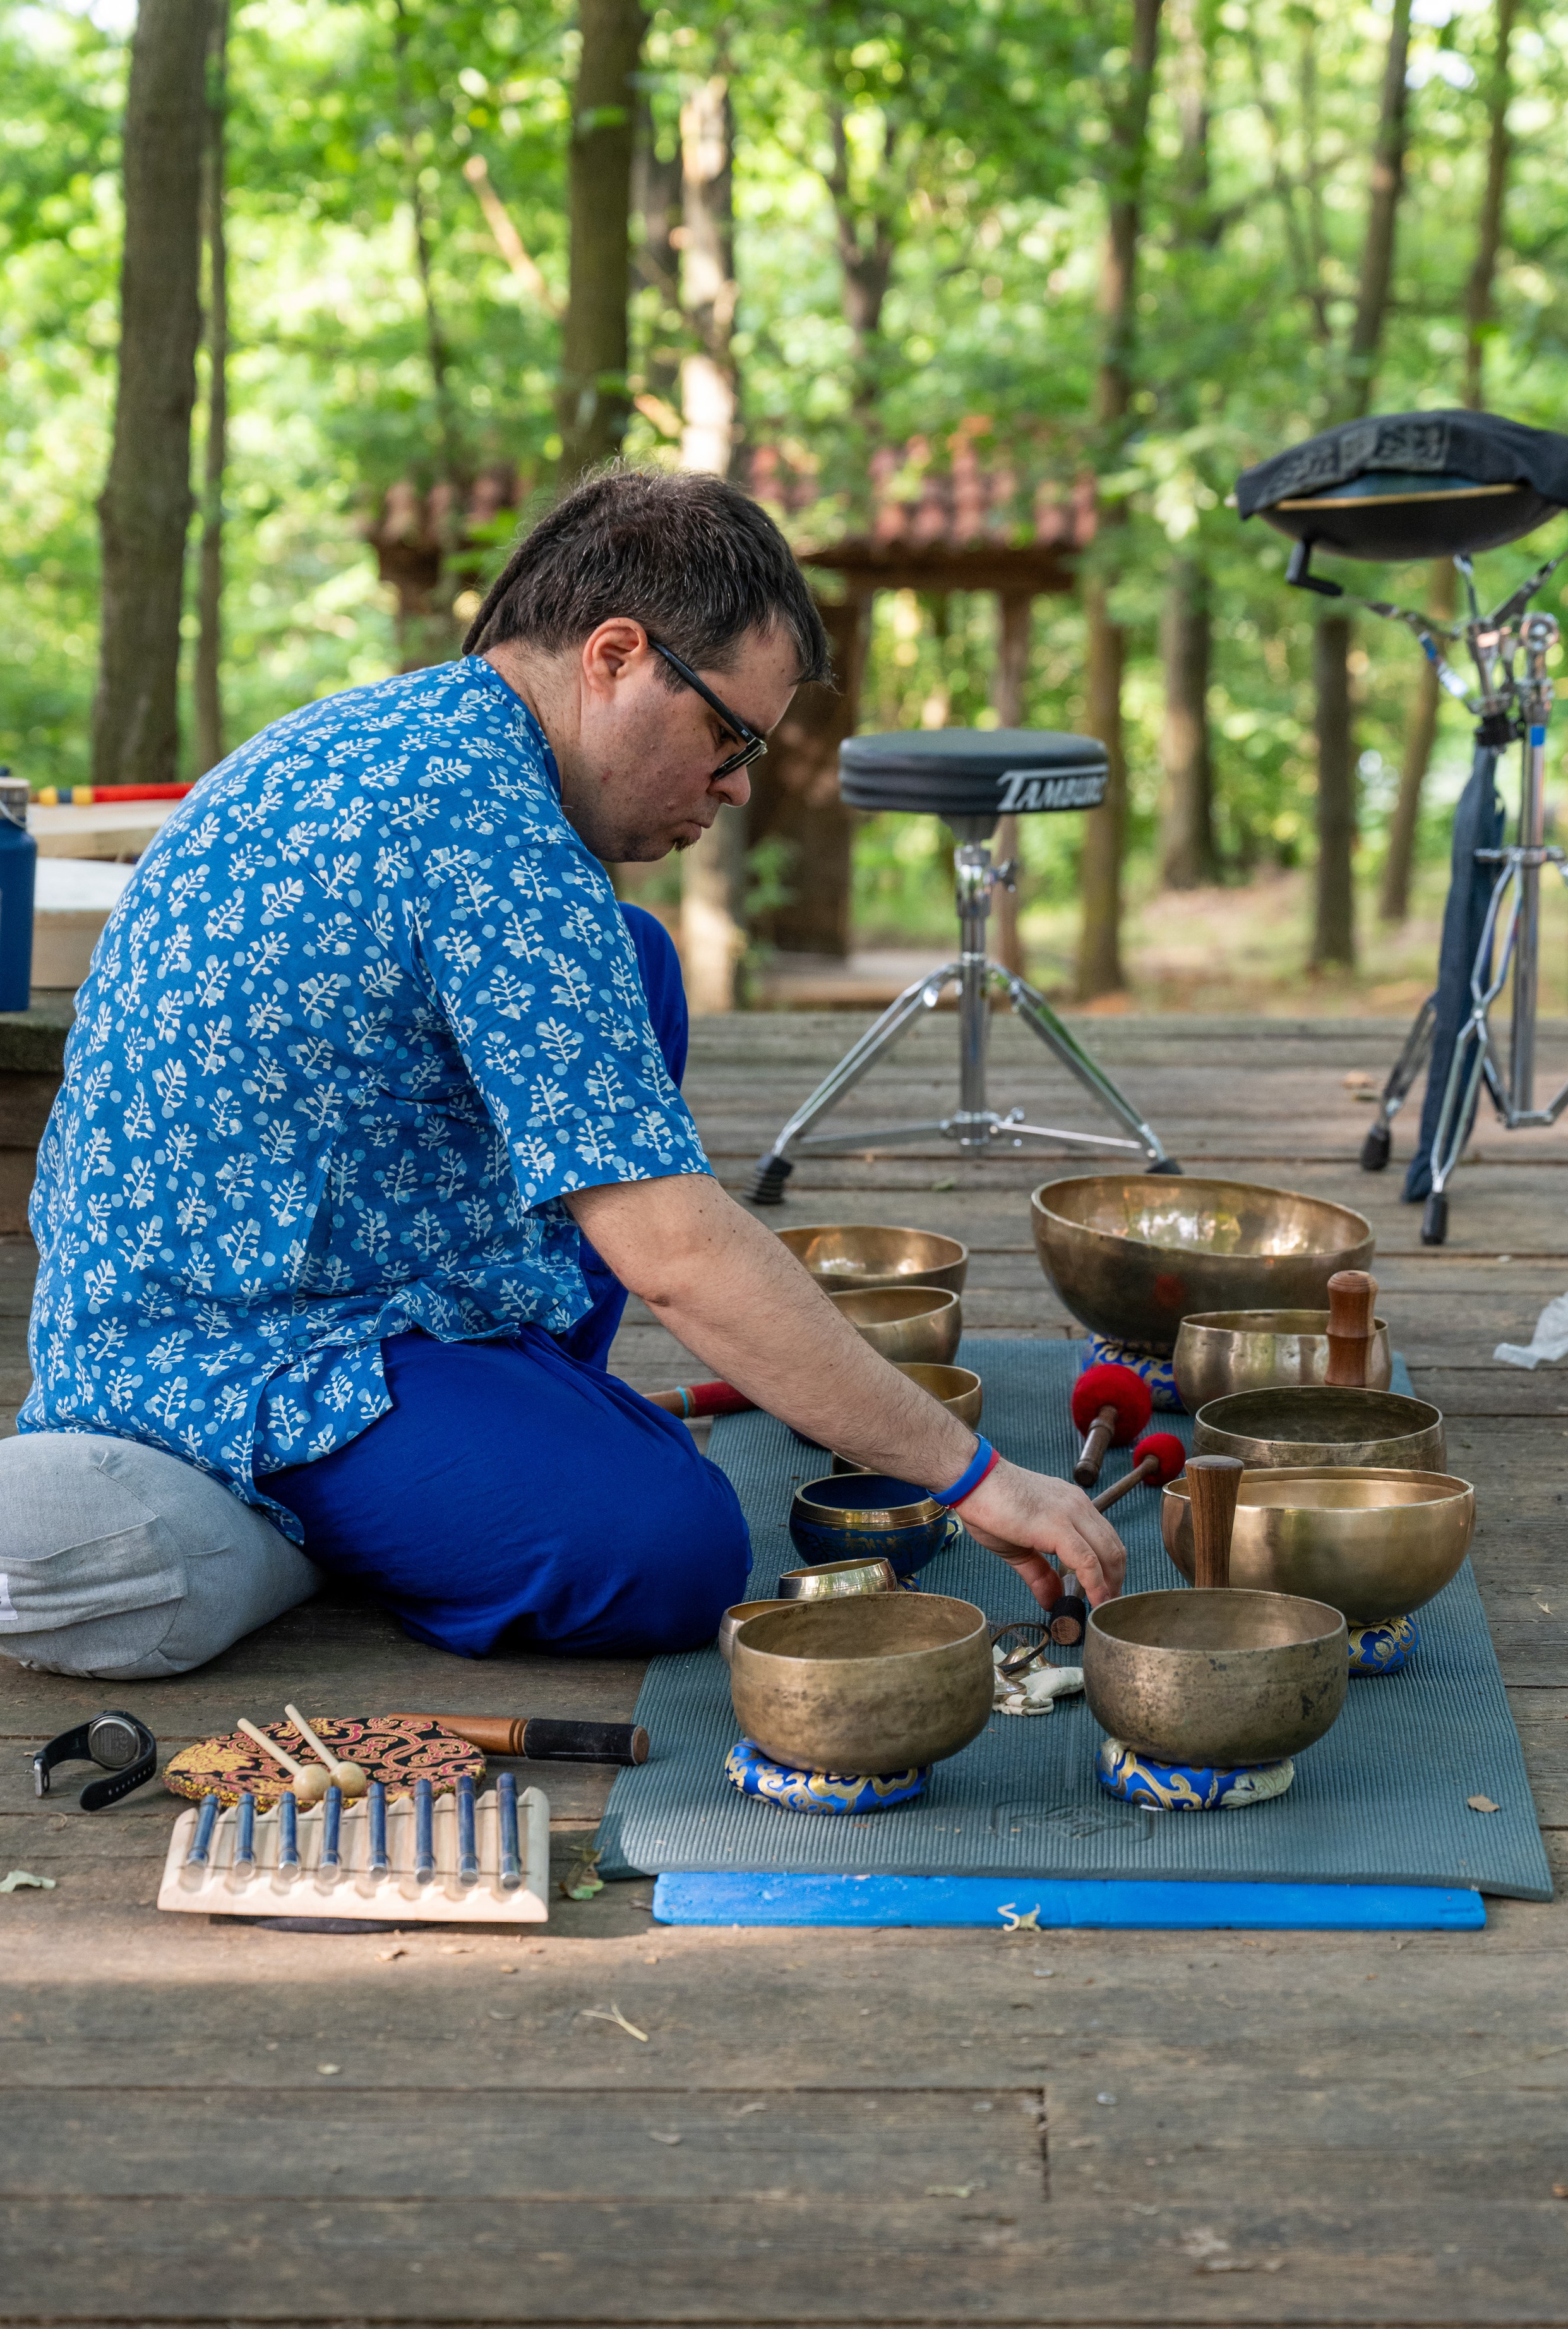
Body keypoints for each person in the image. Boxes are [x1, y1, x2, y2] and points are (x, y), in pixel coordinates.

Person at [23, 468, 1124, 1662]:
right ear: (615, 656)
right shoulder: (494, 836)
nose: (740, 783)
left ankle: (500, 1430)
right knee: (674, 1546)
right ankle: (355, 1511)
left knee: (635, 961)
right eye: (727, 733)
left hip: (296, 1258)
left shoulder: (420, 732)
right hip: (233, 1351)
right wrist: (972, 1476)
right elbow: (680, 1259)